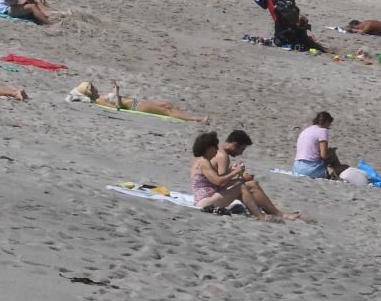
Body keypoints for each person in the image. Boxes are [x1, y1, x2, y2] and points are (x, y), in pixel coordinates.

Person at [191, 132, 295, 219]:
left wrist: (232, 170)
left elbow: (215, 180)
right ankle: (261, 215)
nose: (216, 151)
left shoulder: (204, 161)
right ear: (208, 148)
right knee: (241, 185)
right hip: (205, 201)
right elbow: (219, 182)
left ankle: (269, 213)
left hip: (210, 196)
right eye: (215, 148)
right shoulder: (205, 162)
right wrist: (236, 172)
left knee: (247, 184)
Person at [67, 80, 208, 122]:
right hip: (135, 106)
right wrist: (116, 93)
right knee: (167, 111)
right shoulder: (98, 100)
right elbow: (116, 107)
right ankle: (196, 119)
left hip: (135, 102)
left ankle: (184, 114)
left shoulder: (98, 97)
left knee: (167, 104)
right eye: (92, 86)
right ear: (90, 91)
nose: (95, 86)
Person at [294, 112, 346, 178]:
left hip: (296, 168)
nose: (329, 127)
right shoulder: (322, 131)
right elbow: (324, 155)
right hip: (310, 170)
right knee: (344, 167)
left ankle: (335, 172)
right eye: (329, 124)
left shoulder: (306, 130)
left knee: (329, 156)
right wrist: (331, 152)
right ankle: (336, 173)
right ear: (327, 122)